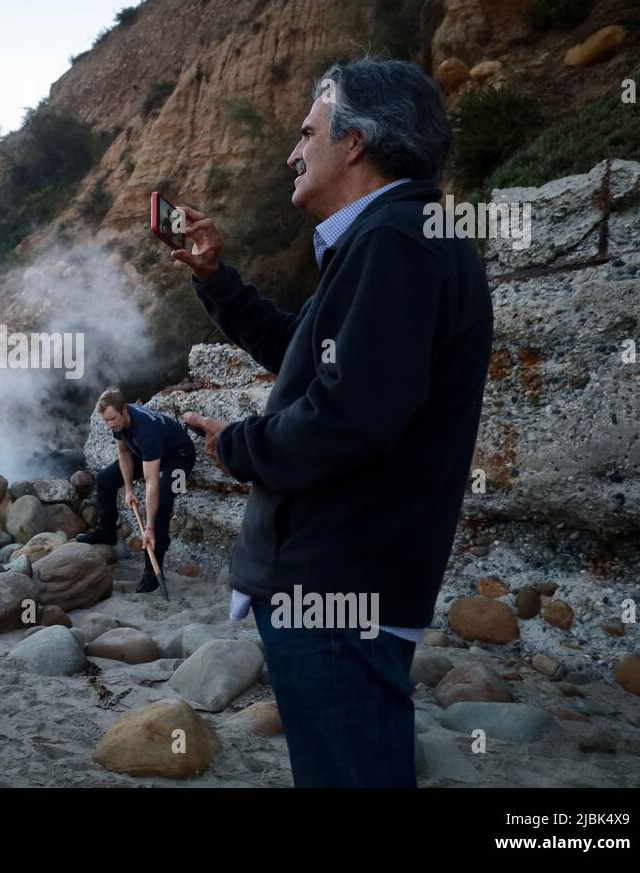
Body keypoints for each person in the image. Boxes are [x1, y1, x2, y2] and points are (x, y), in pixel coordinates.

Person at [173, 57, 493, 787]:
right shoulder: (395, 238)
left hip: (337, 580)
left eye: (309, 131)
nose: (293, 152)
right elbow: (308, 357)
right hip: (354, 577)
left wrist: (240, 445)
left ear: (357, 142)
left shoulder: (395, 242)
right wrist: (216, 279)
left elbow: (349, 418)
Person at [76, 387, 196, 595]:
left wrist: (148, 528)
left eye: (113, 418)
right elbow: (123, 452)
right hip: (149, 452)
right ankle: (106, 532)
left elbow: (151, 484)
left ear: (125, 410)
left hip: (179, 456)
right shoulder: (117, 420)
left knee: (163, 502)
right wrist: (128, 488)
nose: (111, 424)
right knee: (105, 479)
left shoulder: (146, 432)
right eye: (106, 421)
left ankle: (153, 568)